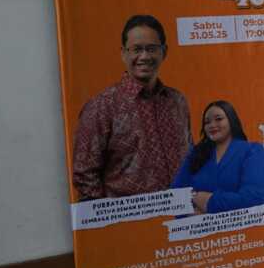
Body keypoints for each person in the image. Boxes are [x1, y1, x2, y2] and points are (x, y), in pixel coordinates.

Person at [72, 15, 191, 200]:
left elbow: (190, 156)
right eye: (136, 49)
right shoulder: (102, 106)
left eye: (151, 49)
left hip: (181, 217)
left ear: (164, 52)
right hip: (130, 224)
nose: (144, 56)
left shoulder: (177, 101)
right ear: (123, 53)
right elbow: (84, 175)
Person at [172, 100, 264, 214]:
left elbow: (253, 198)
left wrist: (210, 202)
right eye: (207, 122)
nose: (212, 125)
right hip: (201, 228)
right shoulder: (195, 154)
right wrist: (193, 208)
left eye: (218, 119)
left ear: (231, 120)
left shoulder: (252, 151)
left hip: (248, 228)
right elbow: (177, 194)